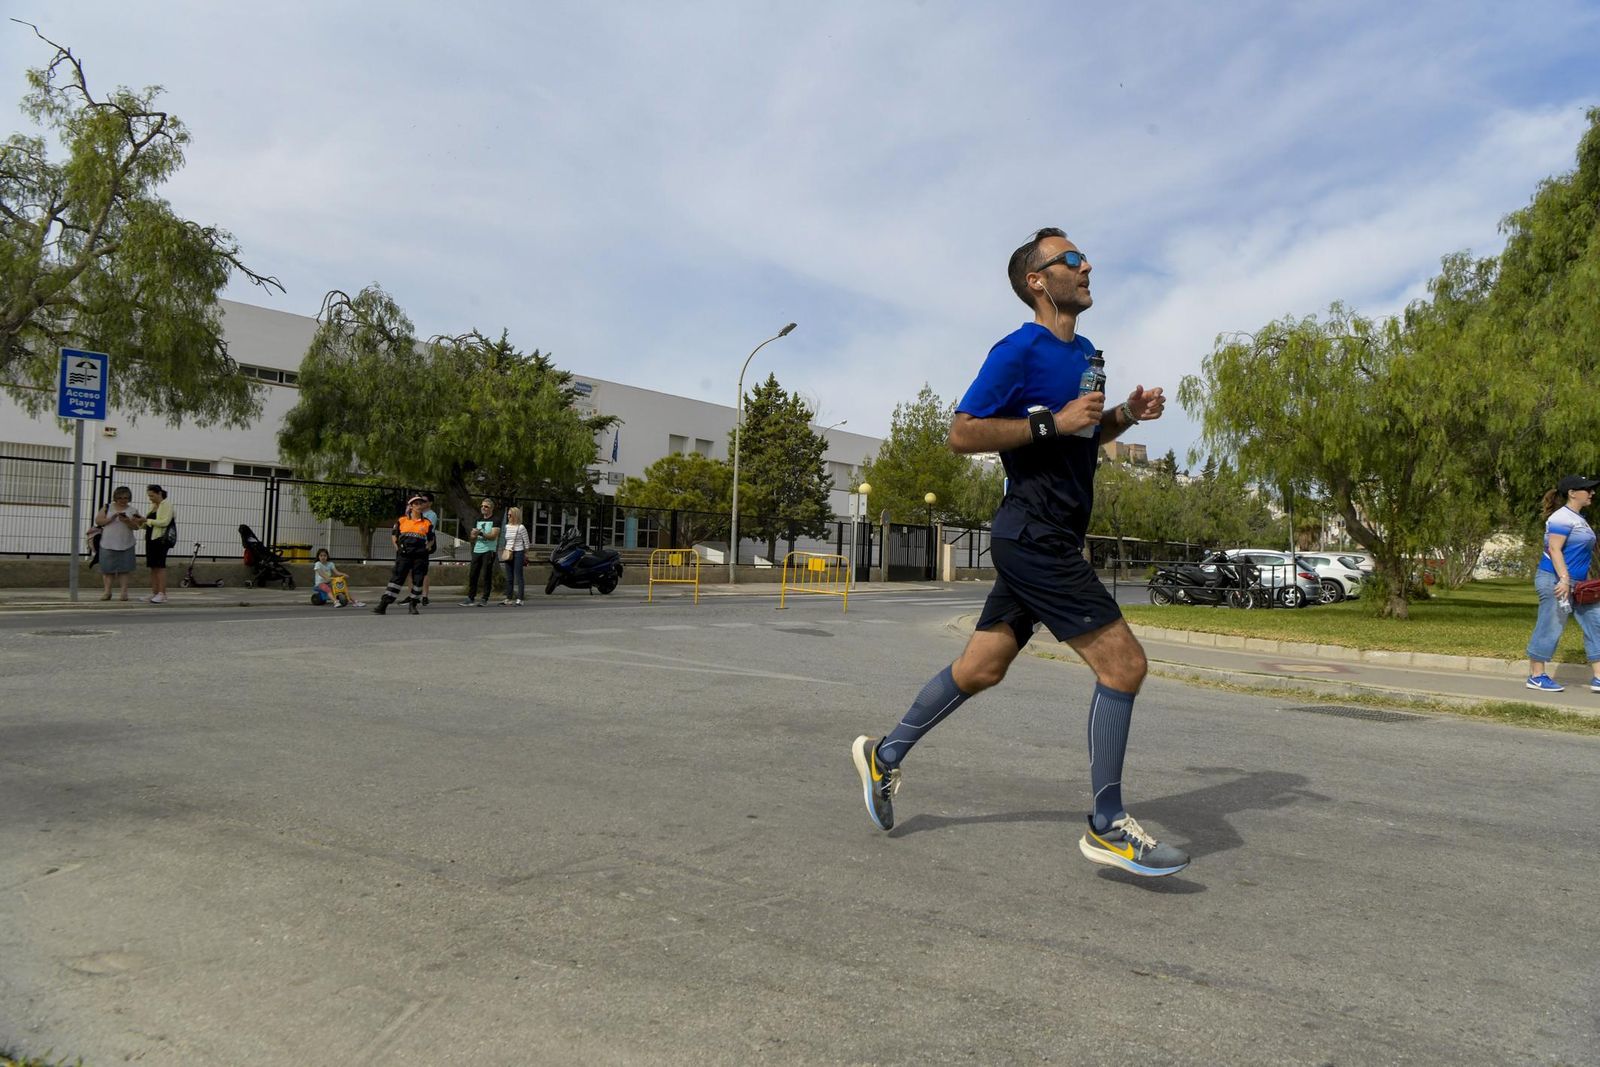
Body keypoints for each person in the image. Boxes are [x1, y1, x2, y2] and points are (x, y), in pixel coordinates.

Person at [849, 227, 1187, 878]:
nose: (1086, 265)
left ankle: (884, 756)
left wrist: (1122, 416)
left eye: (1083, 257)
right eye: (1070, 259)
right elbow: (961, 431)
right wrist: (1047, 422)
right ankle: (1108, 823)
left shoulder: (1087, 352)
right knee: (1124, 664)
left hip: (1050, 535)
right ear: (1038, 280)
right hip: (1030, 533)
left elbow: (1082, 435)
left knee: (980, 668)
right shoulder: (1017, 350)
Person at [1524, 474, 1600, 692]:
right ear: (1572, 493)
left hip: (1579, 584)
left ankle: (1599, 677)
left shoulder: (1579, 519)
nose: (1592, 492)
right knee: (1551, 625)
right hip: (1556, 580)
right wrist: (1565, 580)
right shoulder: (1561, 517)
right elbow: (1554, 549)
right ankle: (1536, 676)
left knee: (1596, 623)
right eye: (1588, 489)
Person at [372, 496, 435, 615]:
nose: (419, 506)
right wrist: (399, 549)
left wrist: (426, 549)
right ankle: (383, 605)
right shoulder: (402, 521)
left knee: (418, 581)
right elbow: (394, 536)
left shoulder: (427, 522)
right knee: (396, 579)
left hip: (420, 556)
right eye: (416, 504)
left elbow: (431, 539)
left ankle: (413, 605)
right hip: (404, 555)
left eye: (421, 503)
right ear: (411, 506)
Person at [93, 486, 143, 601]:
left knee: (124, 570)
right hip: (107, 543)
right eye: (120, 497)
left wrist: (127, 521)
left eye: (125, 498)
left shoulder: (132, 510)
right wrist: (111, 518)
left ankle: (124, 593)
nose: (123, 500)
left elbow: (136, 527)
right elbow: (98, 521)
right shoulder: (107, 507)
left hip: (126, 543)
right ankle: (107, 592)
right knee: (107, 570)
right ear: (115, 497)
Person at [134, 484, 175, 604]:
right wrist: (140, 521)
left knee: (160, 566)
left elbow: (164, 522)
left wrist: (147, 520)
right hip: (151, 538)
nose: (150, 498)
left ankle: (162, 593)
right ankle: (155, 592)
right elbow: (148, 524)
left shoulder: (166, 505)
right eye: (149, 496)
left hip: (160, 539)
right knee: (152, 566)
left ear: (159, 493)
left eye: (152, 495)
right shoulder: (153, 506)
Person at [462, 498, 500, 606]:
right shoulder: (478, 519)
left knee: (486, 573)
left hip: (489, 550)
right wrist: (473, 535)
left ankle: (484, 598)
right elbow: (472, 537)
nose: (483, 508)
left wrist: (481, 533)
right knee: (473, 574)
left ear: (491, 508)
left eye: (486, 506)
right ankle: (471, 597)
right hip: (477, 549)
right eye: (482, 506)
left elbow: (493, 536)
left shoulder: (495, 520)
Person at [500, 505, 530, 605]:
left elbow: (527, 542)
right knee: (509, 577)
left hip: (518, 552)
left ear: (515, 515)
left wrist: (525, 553)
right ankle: (508, 598)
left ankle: (520, 599)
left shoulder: (521, 527)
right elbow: (505, 540)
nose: (508, 517)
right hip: (508, 552)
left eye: (510, 515)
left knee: (519, 576)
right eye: (508, 515)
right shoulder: (506, 527)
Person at [419, 493, 439, 605]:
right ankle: (412, 594)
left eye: (424, 501)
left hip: (424, 543)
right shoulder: (416, 513)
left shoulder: (431, 515)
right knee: (411, 570)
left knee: (423, 570)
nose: (422, 503)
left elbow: (428, 529)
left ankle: (425, 595)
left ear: (430, 503)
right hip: (414, 543)